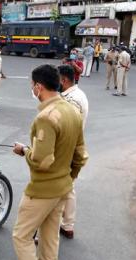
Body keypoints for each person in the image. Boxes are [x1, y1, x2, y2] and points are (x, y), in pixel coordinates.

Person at [11, 64, 88, 260]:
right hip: (62, 188)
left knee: (21, 237)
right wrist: (68, 178)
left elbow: (42, 161)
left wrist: (24, 150)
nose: (32, 90)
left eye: (32, 86)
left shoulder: (47, 117)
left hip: (42, 190)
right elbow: (80, 156)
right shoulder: (72, 111)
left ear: (38, 87)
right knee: (49, 241)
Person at [58, 65, 89, 239]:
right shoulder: (77, 95)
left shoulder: (72, 100)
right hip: (73, 147)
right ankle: (68, 225)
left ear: (64, 80)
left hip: (66, 150)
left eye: (57, 79)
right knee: (69, 189)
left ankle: (44, 232)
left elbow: (66, 126)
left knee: (54, 189)